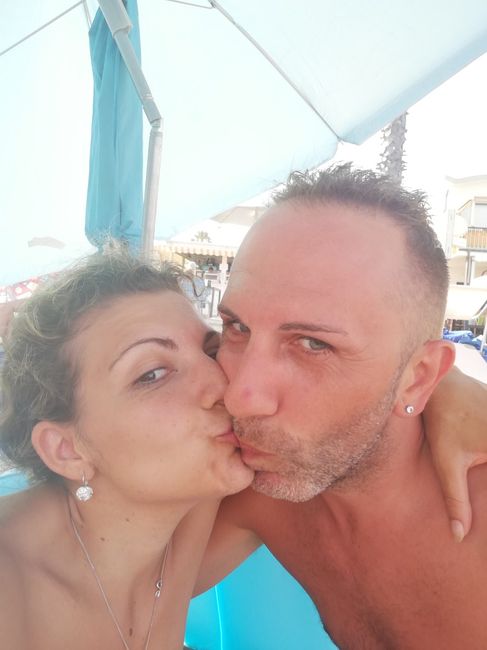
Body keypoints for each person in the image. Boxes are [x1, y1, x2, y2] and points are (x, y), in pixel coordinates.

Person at [197, 164, 487, 648]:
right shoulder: (263, 489)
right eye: (237, 328)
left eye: (313, 344)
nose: (240, 396)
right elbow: (124, 600)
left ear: (419, 377)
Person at [0, 250, 254, 650]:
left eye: (211, 352)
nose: (225, 388)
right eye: (152, 374)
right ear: (67, 450)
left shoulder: (194, 512)